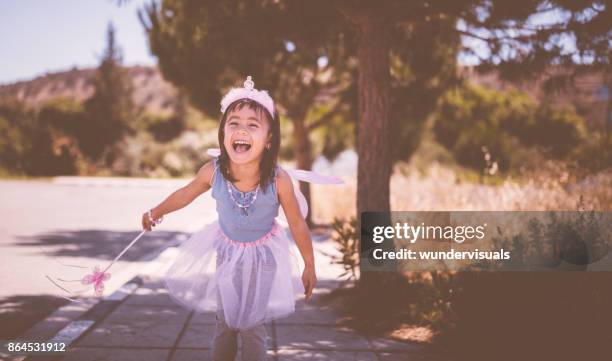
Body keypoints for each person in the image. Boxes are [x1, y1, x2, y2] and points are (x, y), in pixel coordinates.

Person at [141, 76, 339, 361]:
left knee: (251, 325)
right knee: (226, 322)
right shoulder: (213, 172)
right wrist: (156, 211)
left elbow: (296, 223)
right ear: (223, 133)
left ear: (269, 139)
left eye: (252, 124)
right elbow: (185, 194)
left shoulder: (278, 180)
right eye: (233, 123)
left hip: (264, 256)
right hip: (227, 252)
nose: (241, 130)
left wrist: (310, 264)